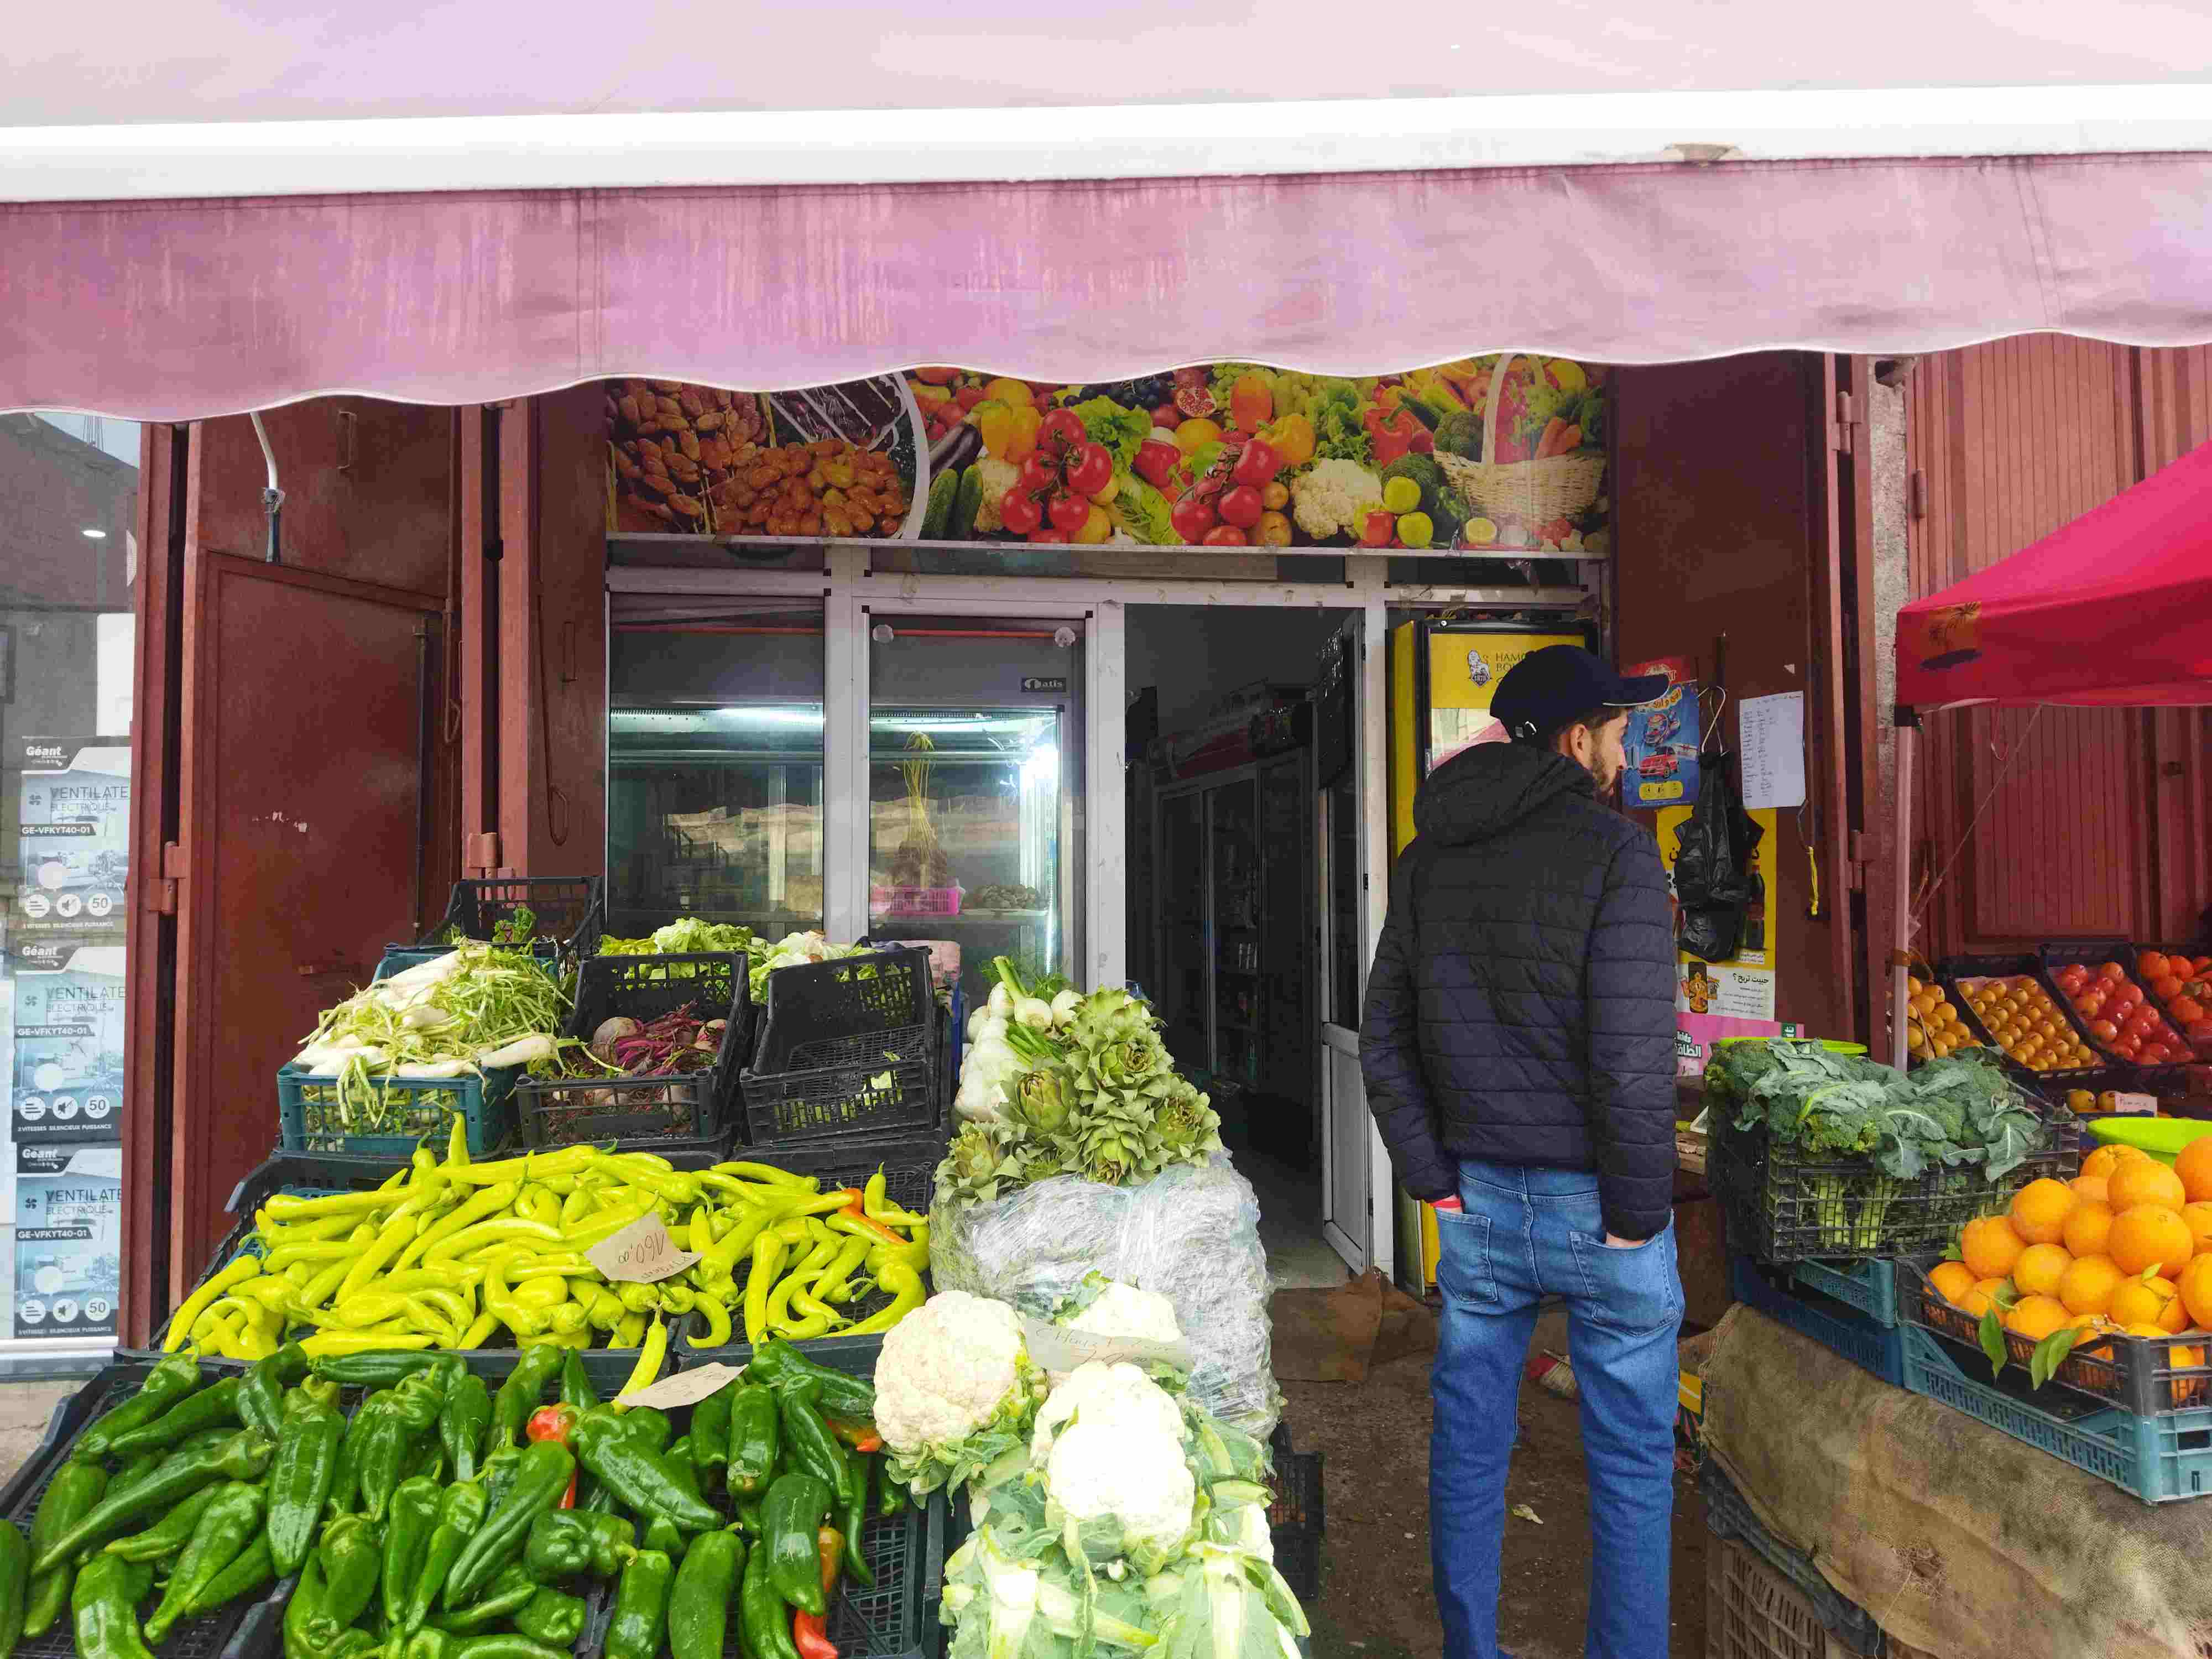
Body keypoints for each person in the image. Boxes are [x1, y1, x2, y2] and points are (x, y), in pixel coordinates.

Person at [1361, 644, 1680, 1659]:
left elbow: (1384, 1039)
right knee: (1631, 1464)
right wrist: (1638, 1217)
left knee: (1468, 1444)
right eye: (1618, 733)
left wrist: (1434, 1183)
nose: (1624, 755)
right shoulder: (1618, 855)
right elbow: (1632, 1060)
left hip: (1479, 1204)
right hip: (1603, 1206)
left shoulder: (1428, 857)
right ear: (1577, 740)